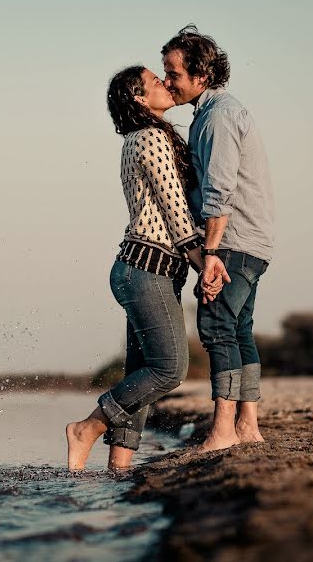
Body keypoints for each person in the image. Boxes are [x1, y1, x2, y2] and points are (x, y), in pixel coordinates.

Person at [66, 66, 223, 471]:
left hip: (147, 271)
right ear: (138, 98)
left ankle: (119, 468)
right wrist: (203, 261)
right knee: (169, 369)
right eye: (156, 82)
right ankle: (86, 429)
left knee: (141, 373)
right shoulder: (150, 137)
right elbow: (175, 212)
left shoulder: (148, 136)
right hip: (145, 269)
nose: (166, 85)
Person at [162, 26, 276, 451]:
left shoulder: (219, 116)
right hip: (251, 240)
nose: (168, 81)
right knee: (239, 329)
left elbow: (219, 191)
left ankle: (224, 431)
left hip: (233, 242)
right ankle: (248, 425)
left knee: (216, 328)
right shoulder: (214, 112)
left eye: (173, 73)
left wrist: (210, 253)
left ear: (201, 77)